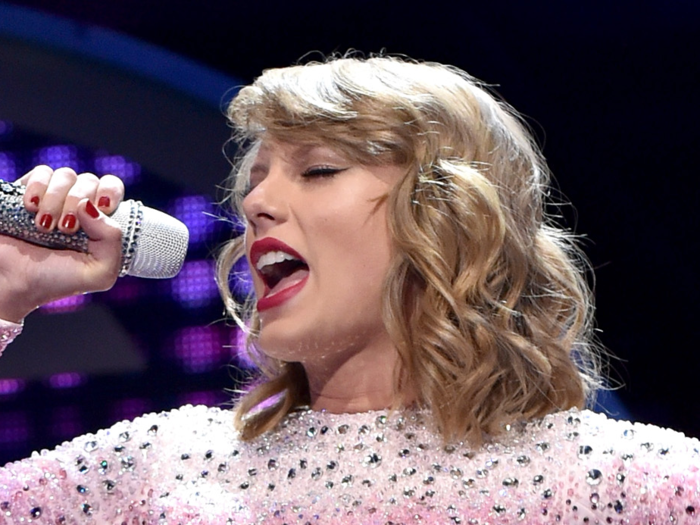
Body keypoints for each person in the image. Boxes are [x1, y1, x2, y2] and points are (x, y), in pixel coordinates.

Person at [0, 56, 698, 524]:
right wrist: (7, 294)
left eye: (319, 169)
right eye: (257, 178)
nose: (257, 204)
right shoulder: (160, 460)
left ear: (451, 214)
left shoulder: (614, 479)